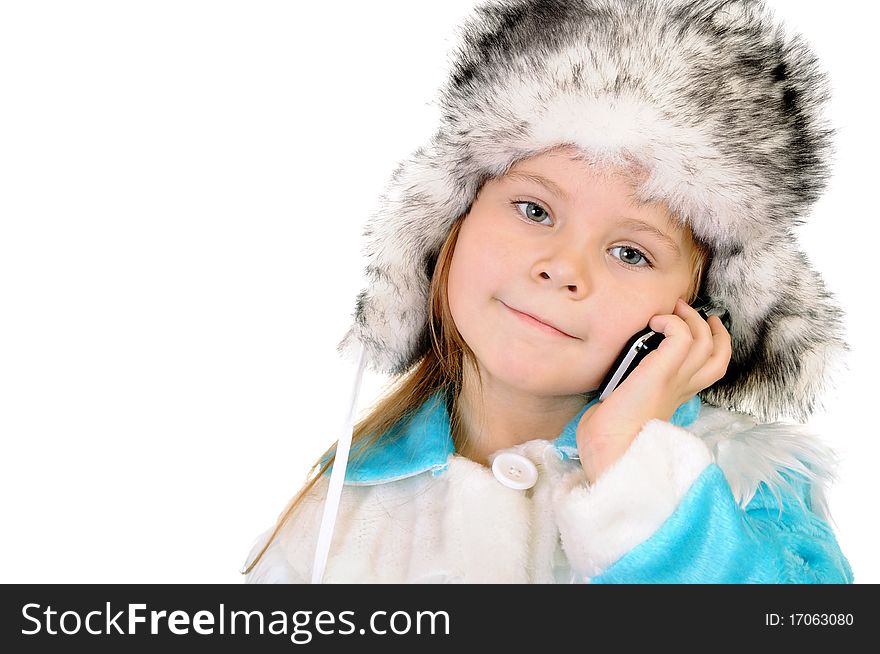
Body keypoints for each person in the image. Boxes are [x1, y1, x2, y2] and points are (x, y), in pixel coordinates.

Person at [241, 0, 854, 583]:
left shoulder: (749, 490)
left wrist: (627, 463)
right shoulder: (342, 503)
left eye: (630, 252)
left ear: (698, 310)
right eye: (534, 209)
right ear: (448, 220)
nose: (563, 269)